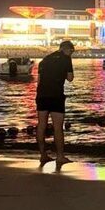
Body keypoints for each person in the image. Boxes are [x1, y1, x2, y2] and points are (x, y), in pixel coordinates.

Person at [35, 40, 75, 170]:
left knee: (41, 125)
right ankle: (60, 157)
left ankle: (43, 155)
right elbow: (70, 78)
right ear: (66, 49)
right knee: (58, 127)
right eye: (71, 51)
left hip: (41, 95)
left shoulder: (44, 60)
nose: (71, 54)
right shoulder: (66, 59)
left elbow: (39, 81)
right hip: (56, 95)